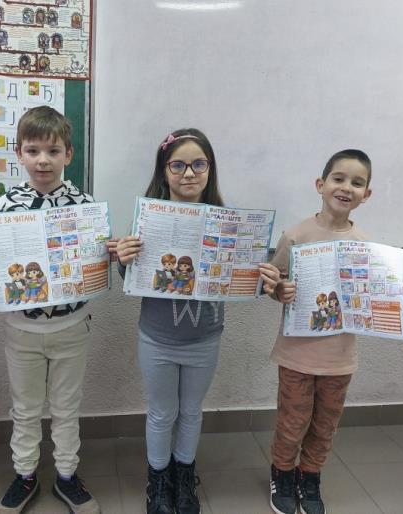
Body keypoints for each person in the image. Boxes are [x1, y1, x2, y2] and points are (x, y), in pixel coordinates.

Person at [113, 129, 279, 514]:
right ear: (164, 170)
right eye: (178, 165)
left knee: (190, 411)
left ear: (209, 169)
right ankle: (159, 480)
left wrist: (263, 279)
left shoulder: (229, 223)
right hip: (156, 339)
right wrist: (124, 260)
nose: (189, 173)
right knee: (161, 413)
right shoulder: (148, 221)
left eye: (198, 164)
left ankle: (184, 474)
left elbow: (243, 280)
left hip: (205, 339)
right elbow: (132, 278)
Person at [261, 149, 403, 514]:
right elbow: (273, 283)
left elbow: (370, 299)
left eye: (357, 183)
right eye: (339, 178)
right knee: (292, 421)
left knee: (325, 424)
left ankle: (310, 476)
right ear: (321, 184)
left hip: (340, 359)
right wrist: (279, 290)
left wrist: (396, 301)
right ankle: (282, 473)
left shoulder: (365, 245)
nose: (346, 187)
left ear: (367, 194)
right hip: (297, 355)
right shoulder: (296, 234)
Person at [0, 106, 101, 514]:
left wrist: (106, 253)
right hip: (21, 329)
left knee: (66, 409)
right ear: (19, 154)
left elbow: (94, 265)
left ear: (68, 155)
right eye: (33, 150)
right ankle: (24, 474)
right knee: (24, 409)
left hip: (71, 326)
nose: (43, 160)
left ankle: (66, 475)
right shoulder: (4, 207)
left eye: (53, 151)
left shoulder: (85, 206)